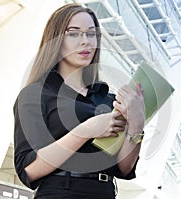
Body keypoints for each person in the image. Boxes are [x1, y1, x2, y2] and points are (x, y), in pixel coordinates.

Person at [13, 3, 145, 199]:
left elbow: (123, 168)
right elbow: (29, 170)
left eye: (91, 34)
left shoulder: (108, 100)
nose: (86, 42)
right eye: (74, 33)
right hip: (60, 192)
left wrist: (137, 125)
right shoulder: (36, 94)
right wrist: (87, 130)